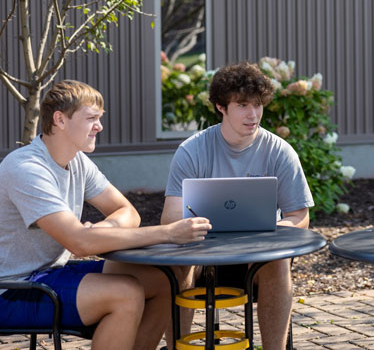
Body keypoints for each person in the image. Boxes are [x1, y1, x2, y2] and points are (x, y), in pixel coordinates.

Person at [0, 80, 211, 350]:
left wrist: (105, 227)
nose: (99, 126)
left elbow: (127, 212)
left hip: (52, 272)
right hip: (14, 288)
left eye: (99, 119)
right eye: (91, 119)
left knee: (165, 279)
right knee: (125, 294)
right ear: (60, 120)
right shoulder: (26, 168)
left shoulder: (76, 161)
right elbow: (79, 243)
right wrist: (168, 233)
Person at [161, 61, 314, 350]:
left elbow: (299, 217)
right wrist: (194, 231)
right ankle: (176, 348)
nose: (253, 114)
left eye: (258, 104)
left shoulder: (280, 151)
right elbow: (170, 218)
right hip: (204, 258)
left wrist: (268, 231)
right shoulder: (192, 150)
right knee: (179, 261)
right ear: (221, 106)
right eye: (243, 105)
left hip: (257, 258)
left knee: (279, 261)